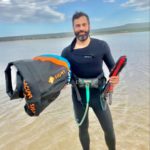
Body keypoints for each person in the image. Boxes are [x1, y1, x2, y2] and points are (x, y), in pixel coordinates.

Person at [61, 11, 119, 150]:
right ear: (73, 28)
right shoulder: (66, 52)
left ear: (89, 26)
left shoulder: (101, 46)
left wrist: (115, 80)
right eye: (77, 26)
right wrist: (59, 84)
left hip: (99, 95)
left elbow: (113, 69)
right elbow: (61, 77)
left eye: (84, 25)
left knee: (109, 130)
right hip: (79, 98)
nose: (81, 28)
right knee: (83, 130)